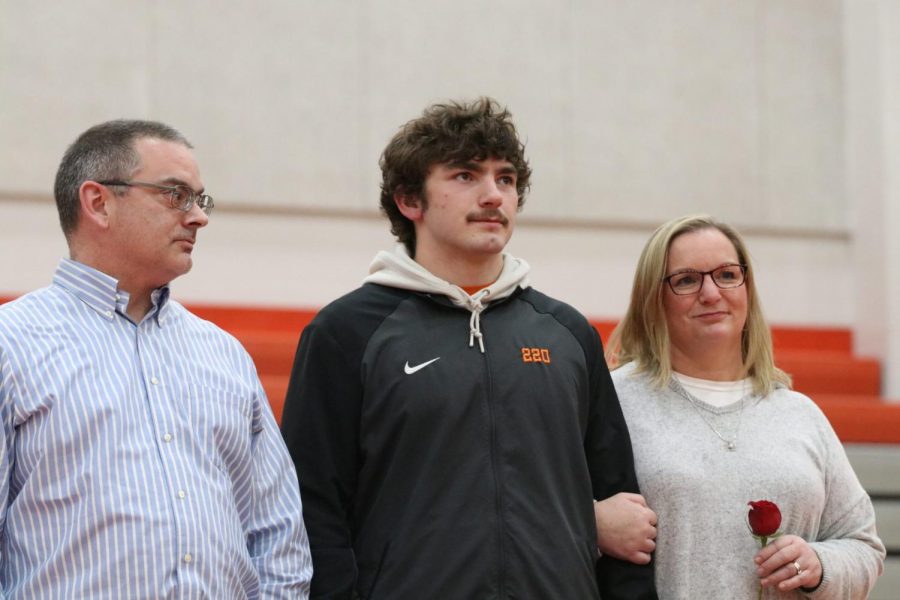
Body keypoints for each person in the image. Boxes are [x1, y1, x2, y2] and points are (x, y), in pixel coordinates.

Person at [280, 98, 657, 599]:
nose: (493, 196)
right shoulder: (345, 333)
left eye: (505, 179)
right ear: (409, 201)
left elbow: (622, 509)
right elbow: (313, 507)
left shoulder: (567, 333)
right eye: (465, 176)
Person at [0, 120, 312, 598]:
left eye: (200, 200)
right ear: (98, 202)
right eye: (175, 195)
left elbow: (277, 534)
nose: (198, 217)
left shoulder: (222, 354)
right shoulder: (12, 344)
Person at [606, 214, 885, 598]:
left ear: (747, 287)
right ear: (653, 299)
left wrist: (819, 565)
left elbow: (863, 545)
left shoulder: (799, 413)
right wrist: (593, 526)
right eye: (686, 280)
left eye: (726, 274)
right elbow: (548, 517)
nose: (710, 293)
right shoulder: (613, 401)